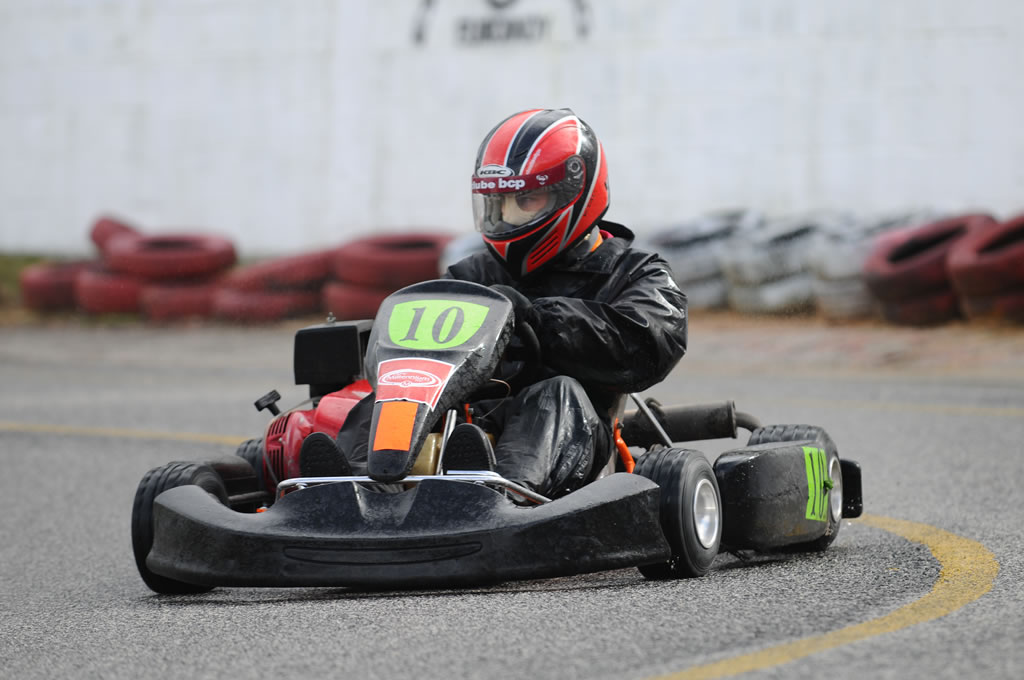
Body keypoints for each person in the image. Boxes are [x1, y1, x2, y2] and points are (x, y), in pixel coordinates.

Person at [301, 108, 689, 499]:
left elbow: (649, 343)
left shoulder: (634, 272)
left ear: (573, 193)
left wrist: (538, 320)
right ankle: (349, 489)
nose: (506, 216)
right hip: (465, 424)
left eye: (525, 199)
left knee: (555, 391)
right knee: (396, 390)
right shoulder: (472, 275)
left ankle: (501, 496)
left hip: (575, 442)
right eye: (498, 202)